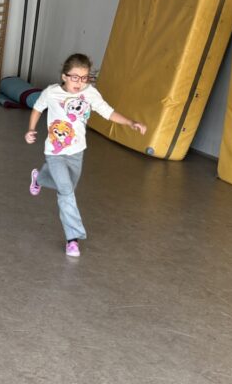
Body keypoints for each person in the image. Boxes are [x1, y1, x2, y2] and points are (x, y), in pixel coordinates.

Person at [25, 53, 147, 257]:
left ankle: (40, 178)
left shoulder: (90, 93)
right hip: (54, 152)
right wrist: (30, 130)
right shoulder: (52, 93)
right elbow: (37, 109)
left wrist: (131, 122)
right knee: (66, 191)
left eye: (84, 78)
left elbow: (108, 112)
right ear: (64, 76)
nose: (79, 83)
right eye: (75, 77)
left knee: (68, 187)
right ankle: (72, 239)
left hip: (76, 152)